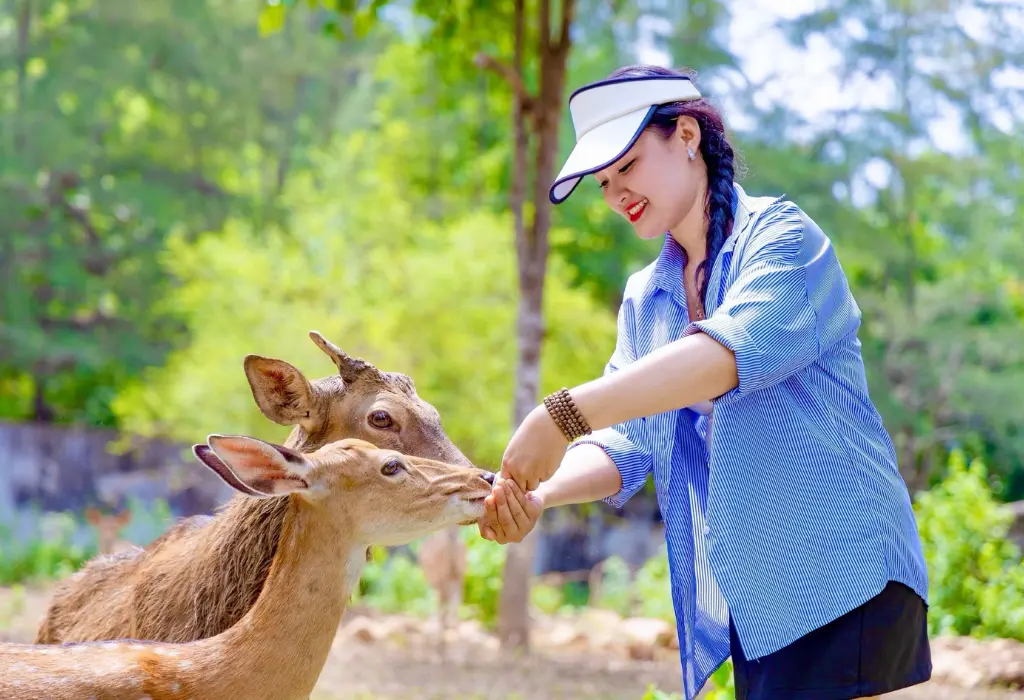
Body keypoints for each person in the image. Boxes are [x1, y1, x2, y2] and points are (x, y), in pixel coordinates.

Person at [478, 65, 932, 700]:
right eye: (604, 183)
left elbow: (721, 358)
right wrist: (540, 494)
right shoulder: (646, 296)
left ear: (685, 134)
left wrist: (559, 414)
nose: (616, 194)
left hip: (840, 567)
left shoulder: (782, 239)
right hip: (759, 595)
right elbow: (627, 442)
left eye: (627, 166)